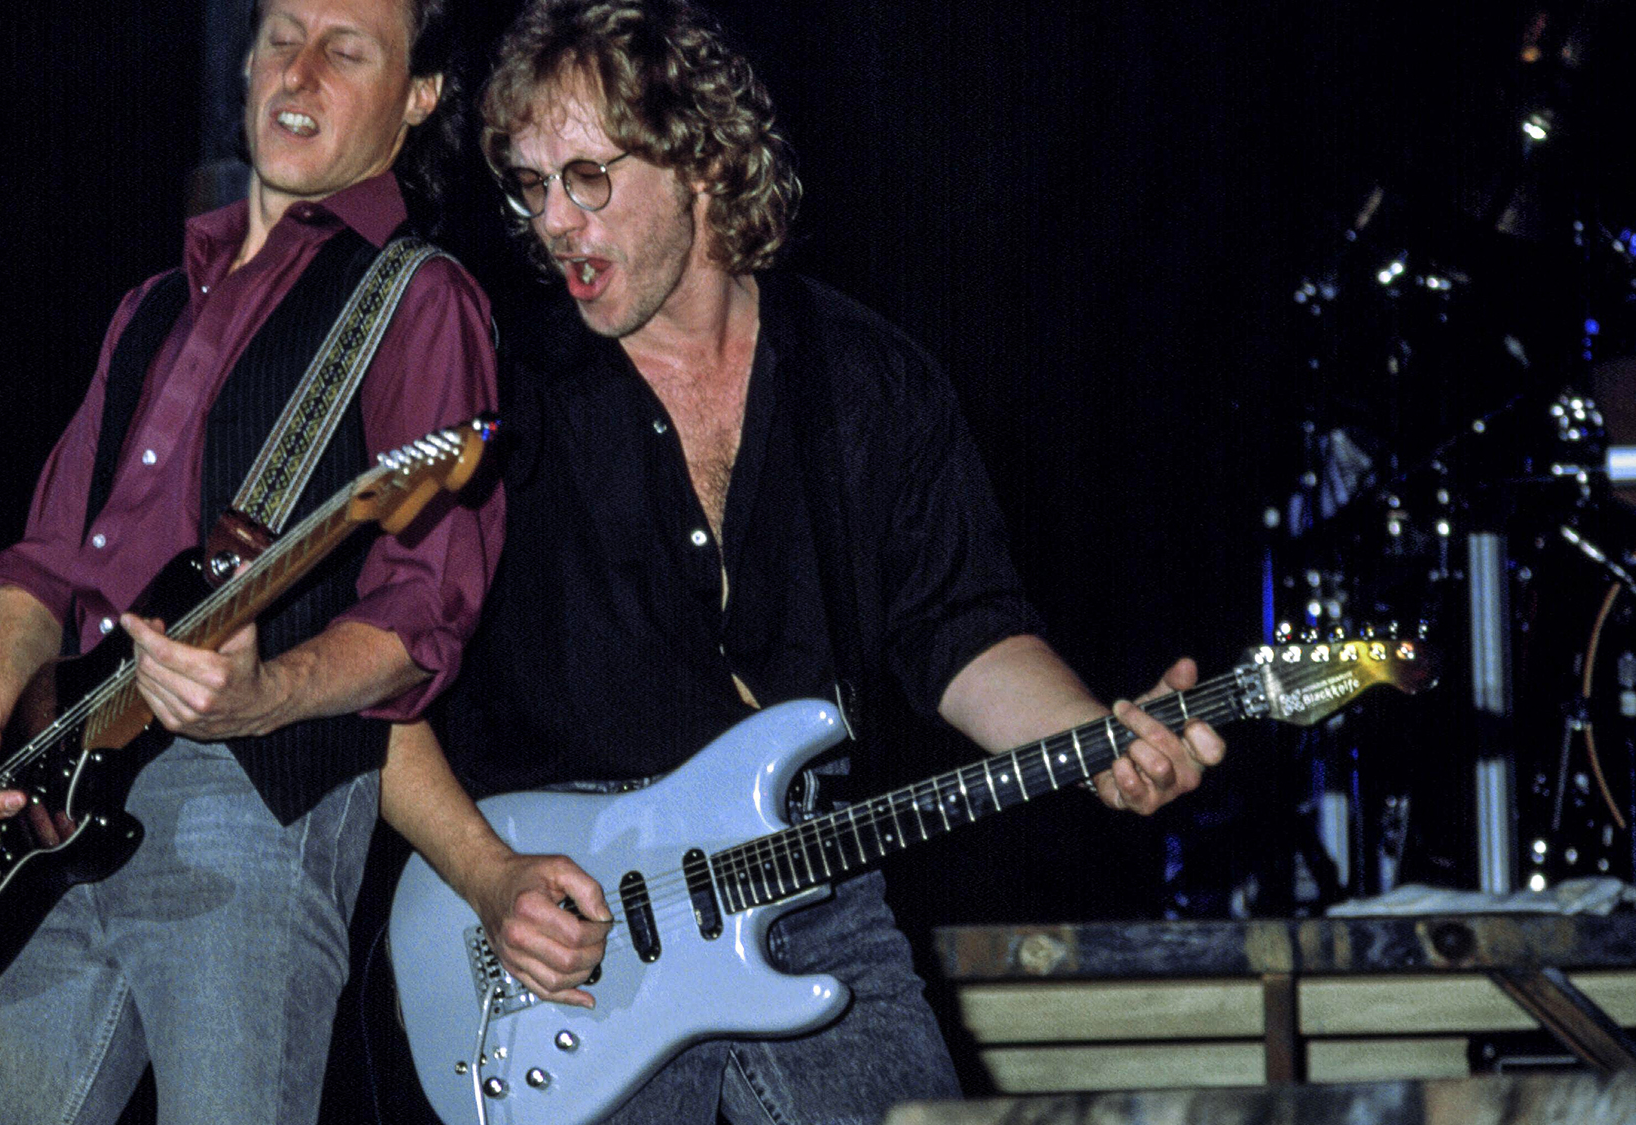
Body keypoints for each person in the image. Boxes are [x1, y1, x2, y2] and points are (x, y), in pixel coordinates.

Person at [382, 0, 1224, 1121]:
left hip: (810, 887)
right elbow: (369, 671)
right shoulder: (499, 395)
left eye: (587, 175)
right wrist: (488, 879)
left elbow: (961, 630)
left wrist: (1092, 744)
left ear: (700, 161)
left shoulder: (867, 380)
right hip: (560, 921)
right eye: (530, 187)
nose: (554, 223)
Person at [0, 0, 501, 1120]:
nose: (299, 69)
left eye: (348, 49)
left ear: (418, 99)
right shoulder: (151, 305)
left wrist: (266, 691)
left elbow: (423, 612)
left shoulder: (418, 301)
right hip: (46, 804)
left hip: (250, 800)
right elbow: (44, 568)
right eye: (281, 35)